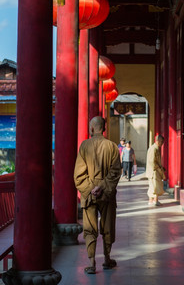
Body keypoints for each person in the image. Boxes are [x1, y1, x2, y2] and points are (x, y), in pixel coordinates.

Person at [74, 116, 121, 274]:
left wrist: (91, 188)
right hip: (107, 194)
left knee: (89, 228)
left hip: (89, 194)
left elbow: (78, 175)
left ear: (92, 129)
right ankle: (107, 259)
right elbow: (115, 172)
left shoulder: (84, 146)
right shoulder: (112, 146)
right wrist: (102, 187)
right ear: (104, 128)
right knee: (108, 226)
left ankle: (92, 262)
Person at [146, 134, 166, 206]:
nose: (162, 143)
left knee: (155, 186)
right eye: (161, 142)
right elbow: (152, 161)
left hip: (155, 170)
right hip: (153, 171)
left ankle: (154, 200)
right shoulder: (153, 149)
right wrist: (159, 168)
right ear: (157, 141)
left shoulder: (156, 148)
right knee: (154, 186)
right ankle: (153, 200)